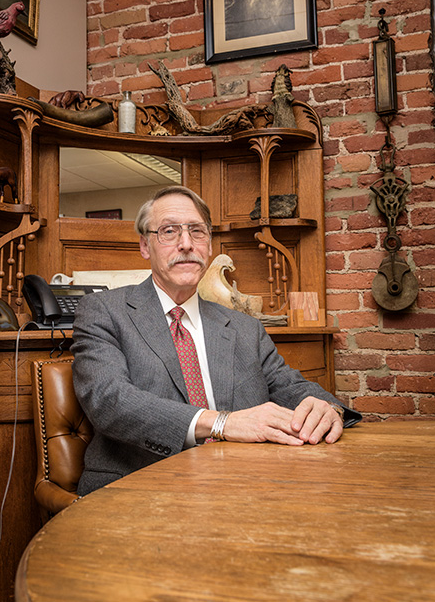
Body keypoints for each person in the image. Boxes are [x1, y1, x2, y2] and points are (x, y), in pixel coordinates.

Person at [72, 186, 361, 495]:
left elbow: (291, 387)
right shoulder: (104, 311)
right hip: (137, 490)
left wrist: (330, 409)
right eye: (169, 232)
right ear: (145, 246)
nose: (186, 244)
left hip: (242, 489)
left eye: (197, 232)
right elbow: (110, 401)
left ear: (208, 245)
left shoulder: (244, 328)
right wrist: (222, 423)